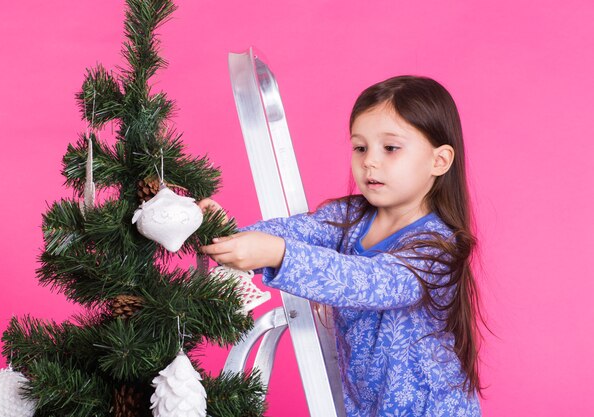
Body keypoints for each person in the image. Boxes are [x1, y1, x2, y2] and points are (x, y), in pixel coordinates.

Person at [199, 75, 482, 416]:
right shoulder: (348, 217)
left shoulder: (437, 247)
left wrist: (277, 254)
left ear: (439, 161)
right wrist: (223, 231)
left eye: (390, 148)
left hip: (430, 409)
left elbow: (366, 281)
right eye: (360, 147)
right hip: (363, 404)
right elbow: (291, 231)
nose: (370, 161)